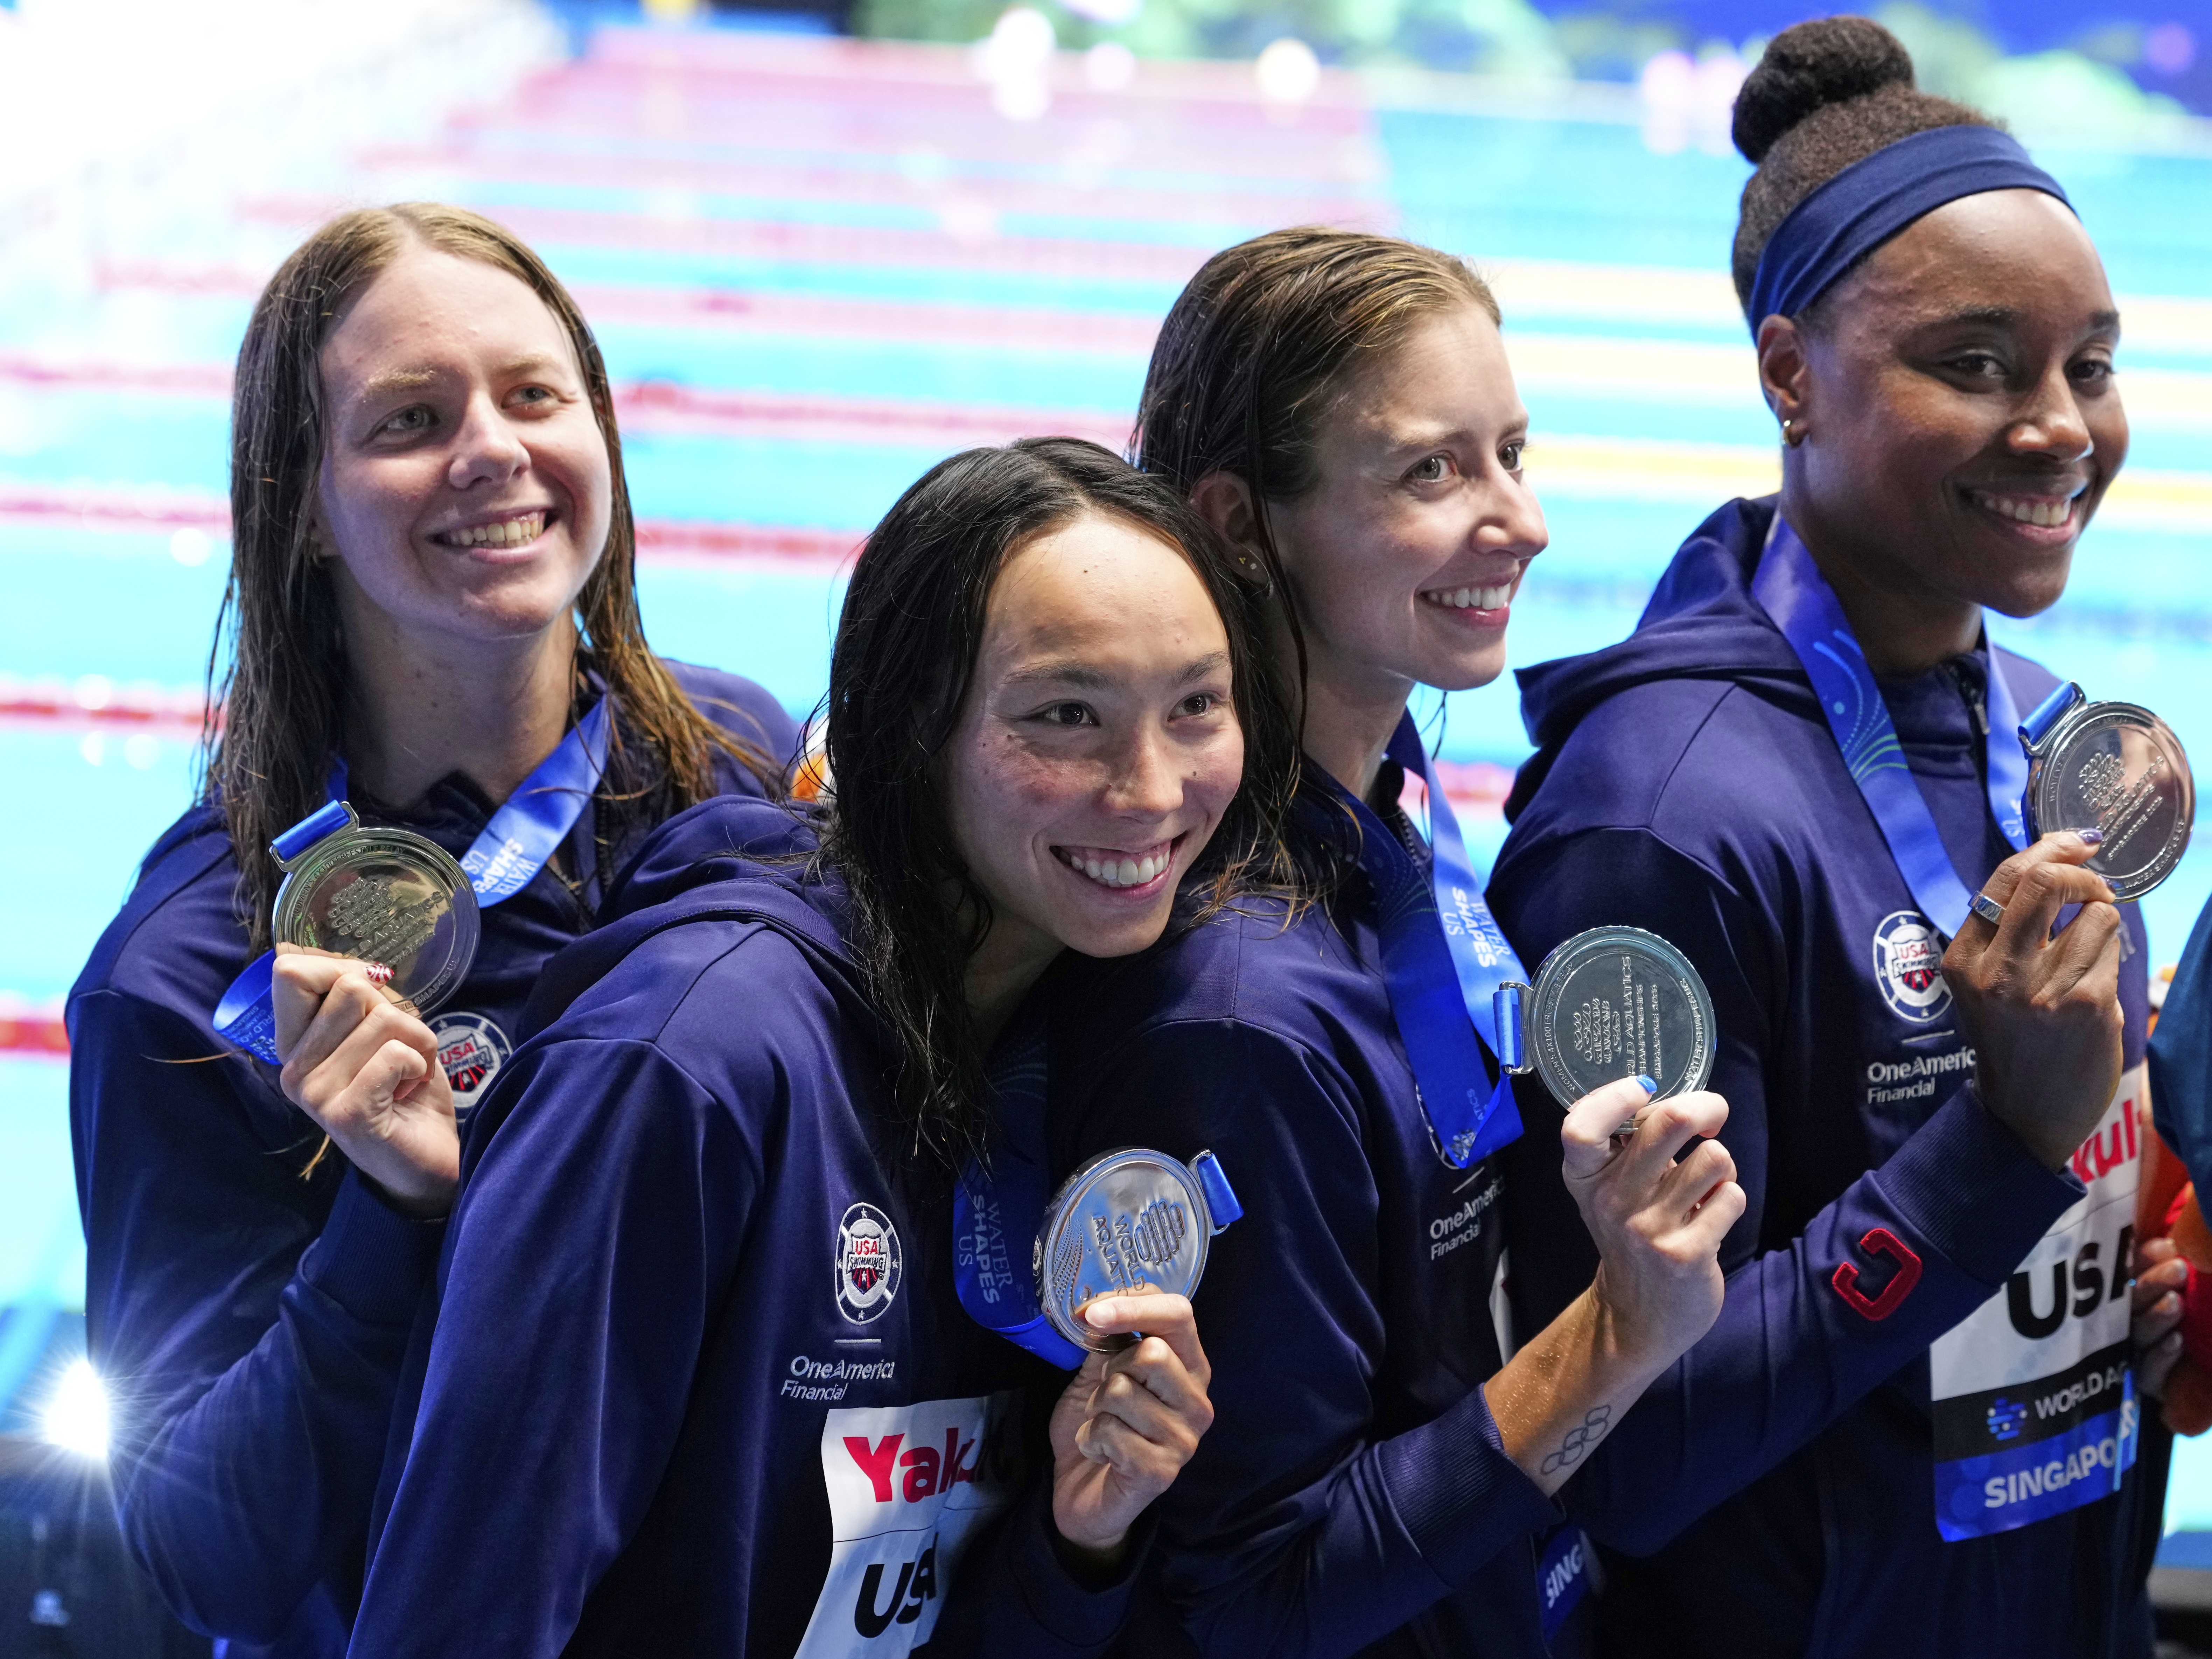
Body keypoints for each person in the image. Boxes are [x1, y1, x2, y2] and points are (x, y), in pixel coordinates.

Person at [1035, 199, 2152, 1656]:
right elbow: (1253, 1594)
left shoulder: (1396, 851)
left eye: (1512, 453)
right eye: (1431, 469)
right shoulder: (1247, 1001)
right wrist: (1620, 1336)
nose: (1519, 520)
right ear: (1244, 521)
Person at [338, 439, 1273, 1655]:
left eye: (1196, 704)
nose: (1151, 789)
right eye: (1066, 715)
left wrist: (1080, 1537)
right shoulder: (685, 1064)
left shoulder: (1059, 1027)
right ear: (905, 729)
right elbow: (455, 1617)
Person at [1490, 18, 2172, 1656]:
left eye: (2087, 360)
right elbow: (1612, 1446)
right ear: (1788, 373)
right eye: (1976, 364)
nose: (2061, 426)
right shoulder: (1653, 824)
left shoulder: (2047, 738)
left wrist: (2123, 1297)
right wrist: (1996, 1152)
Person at [66, 203, 798, 1659]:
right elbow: (208, 1553)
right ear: (302, 505)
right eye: (411, 417)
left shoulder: (742, 760)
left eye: (535, 395)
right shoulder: (192, 982)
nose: (493, 448)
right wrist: (385, 1225)